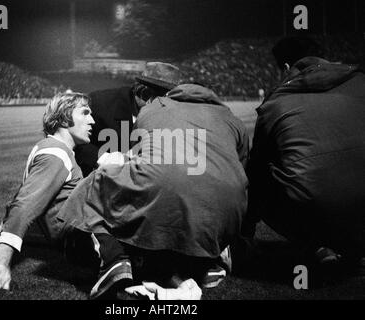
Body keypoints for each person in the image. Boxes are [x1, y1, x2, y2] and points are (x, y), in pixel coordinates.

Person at [58, 62, 249, 299]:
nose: (171, 101)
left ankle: (115, 259)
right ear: (143, 93)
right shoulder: (101, 102)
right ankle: (207, 260)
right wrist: (103, 157)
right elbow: (71, 142)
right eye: (165, 96)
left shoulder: (159, 110)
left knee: (154, 195)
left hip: (148, 180)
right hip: (215, 202)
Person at [245, 36, 365, 273]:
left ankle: (317, 243)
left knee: (264, 170)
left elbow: (256, 174)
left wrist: (245, 232)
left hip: (313, 212)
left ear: (288, 69)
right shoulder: (361, 81)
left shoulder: (275, 103)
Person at [0, 92, 95, 297]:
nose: (92, 120)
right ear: (65, 117)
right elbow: (26, 203)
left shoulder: (53, 148)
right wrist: (0, 261)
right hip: (80, 242)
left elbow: (29, 195)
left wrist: (2, 230)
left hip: (73, 237)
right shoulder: (56, 153)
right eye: (85, 113)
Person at [74, 62, 180, 176]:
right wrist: (105, 159)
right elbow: (74, 139)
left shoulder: (171, 113)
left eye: (163, 97)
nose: (154, 102)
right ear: (139, 89)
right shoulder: (99, 102)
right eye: (148, 94)